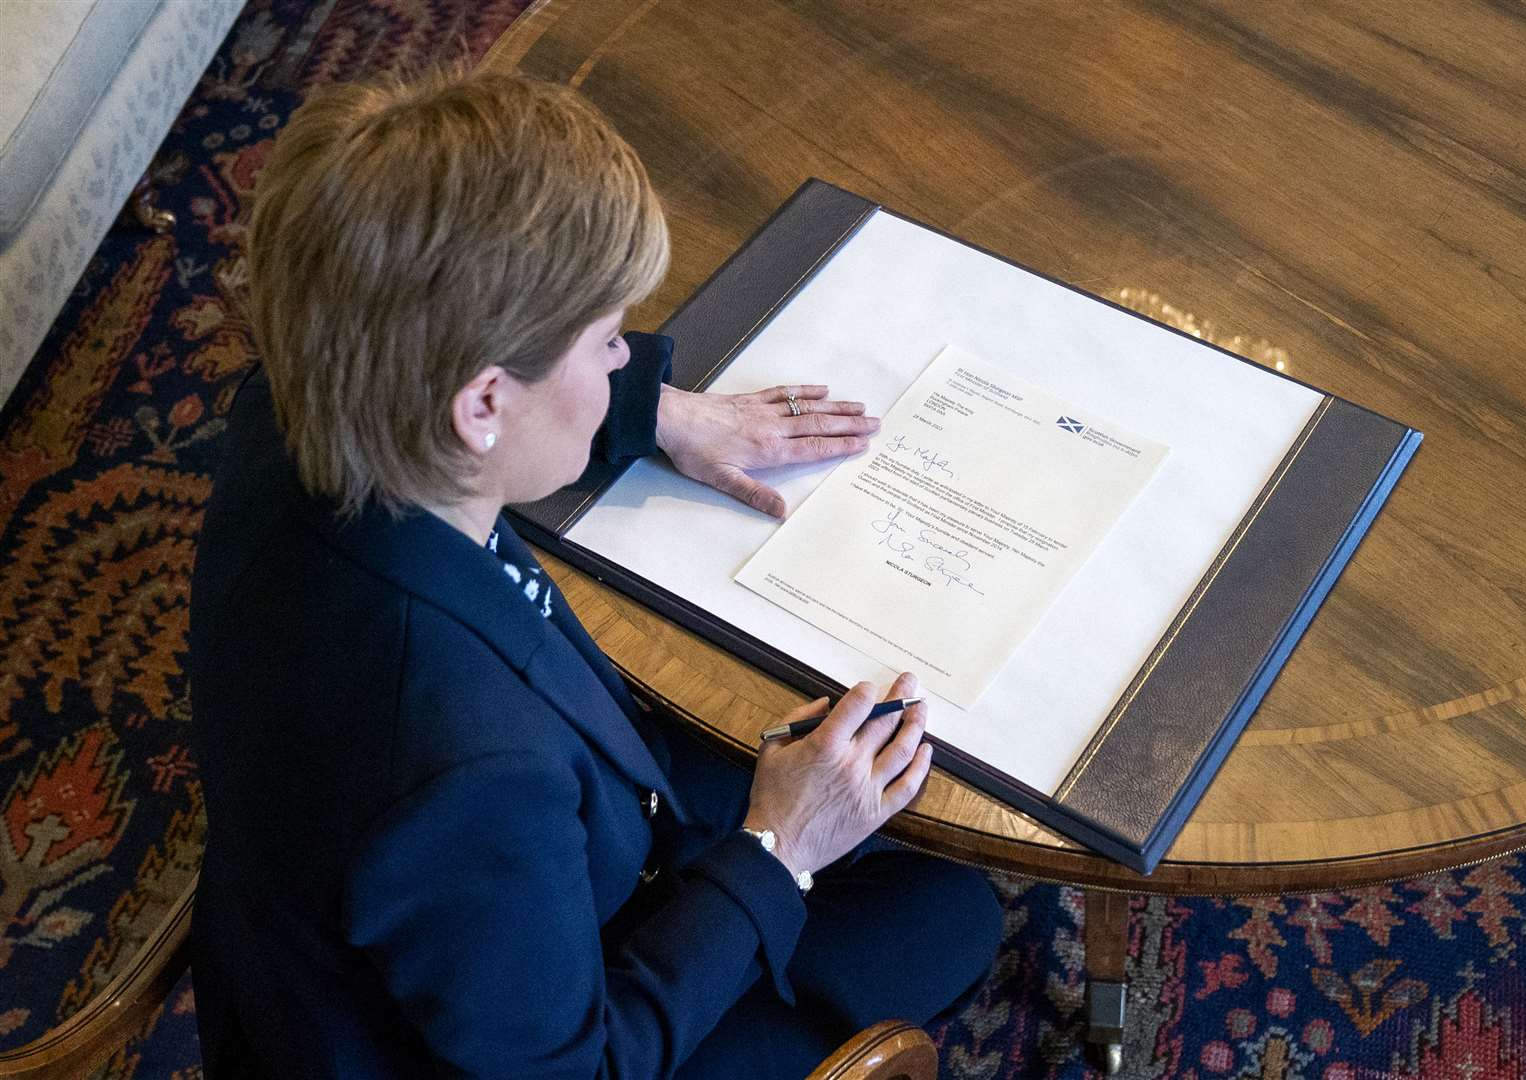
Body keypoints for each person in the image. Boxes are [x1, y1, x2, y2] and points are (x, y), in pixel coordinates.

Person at [187, 68, 1002, 1079]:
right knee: (951, 914)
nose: (628, 358)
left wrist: (661, 413)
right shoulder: (463, 769)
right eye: (610, 341)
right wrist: (776, 848)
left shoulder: (295, 399)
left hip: (411, 902)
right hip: (494, 1026)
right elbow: (576, 1068)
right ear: (483, 403)